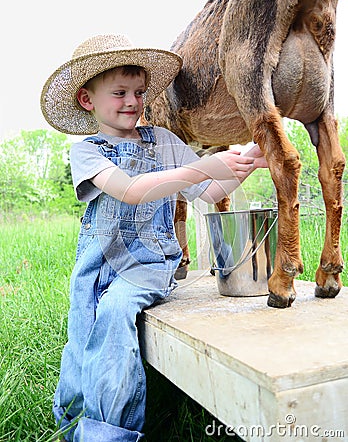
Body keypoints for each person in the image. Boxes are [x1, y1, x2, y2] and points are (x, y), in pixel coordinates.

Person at [41, 34, 267, 442]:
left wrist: (245, 162)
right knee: (82, 333)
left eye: (140, 92)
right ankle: (74, 417)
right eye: (120, 92)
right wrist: (203, 168)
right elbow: (131, 189)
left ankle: (108, 434)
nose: (132, 101)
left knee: (113, 317)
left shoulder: (165, 142)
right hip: (95, 266)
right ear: (87, 100)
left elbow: (211, 192)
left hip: (144, 268)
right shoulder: (87, 151)